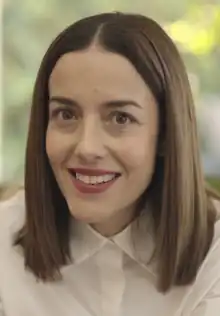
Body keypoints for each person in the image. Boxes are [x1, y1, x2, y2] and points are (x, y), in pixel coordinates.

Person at [0, 12, 220, 316]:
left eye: (120, 118)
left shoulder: (215, 259)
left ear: (168, 135)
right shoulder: (3, 246)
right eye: (66, 114)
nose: (87, 147)